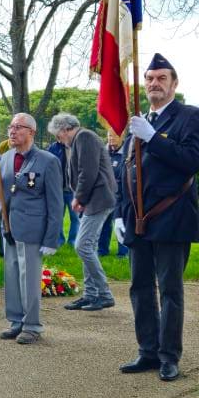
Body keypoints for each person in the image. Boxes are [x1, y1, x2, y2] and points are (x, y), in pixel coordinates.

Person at [116, 54, 199, 382]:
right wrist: (121, 214)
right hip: (138, 221)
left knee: (169, 290)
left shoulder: (189, 117)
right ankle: (147, 350)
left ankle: (169, 355)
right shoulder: (138, 121)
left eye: (161, 78)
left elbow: (191, 160)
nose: (153, 84)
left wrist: (153, 138)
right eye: (149, 78)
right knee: (139, 288)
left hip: (171, 217)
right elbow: (125, 170)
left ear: (174, 84)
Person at [0, 114, 63, 344]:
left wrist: (51, 238)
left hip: (32, 228)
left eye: (18, 127)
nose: (12, 131)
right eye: (10, 127)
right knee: (11, 275)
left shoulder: (47, 160)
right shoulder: (7, 157)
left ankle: (32, 325)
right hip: (9, 226)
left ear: (31, 132)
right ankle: (16, 320)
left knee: (29, 277)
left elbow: (56, 202)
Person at [47, 114, 116, 312]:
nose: (59, 139)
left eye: (58, 135)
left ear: (65, 129)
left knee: (82, 246)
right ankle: (90, 295)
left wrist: (79, 198)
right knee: (89, 246)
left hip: (98, 199)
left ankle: (104, 294)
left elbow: (88, 172)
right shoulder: (80, 140)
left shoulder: (84, 137)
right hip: (96, 198)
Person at [98, 132, 129, 257]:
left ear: (121, 137)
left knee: (120, 223)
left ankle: (123, 252)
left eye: (114, 136)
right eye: (109, 136)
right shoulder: (102, 153)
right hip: (104, 196)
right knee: (103, 225)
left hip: (120, 197)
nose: (111, 139)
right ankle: (102, 250)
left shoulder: (126, 152)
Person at [46, 129, 79, 248]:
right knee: (58, 216)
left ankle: (73, 241)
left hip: (74, 190)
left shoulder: (76, 147)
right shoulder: (52, 148)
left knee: (75, 217)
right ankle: (59, 240)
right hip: (58, 190)